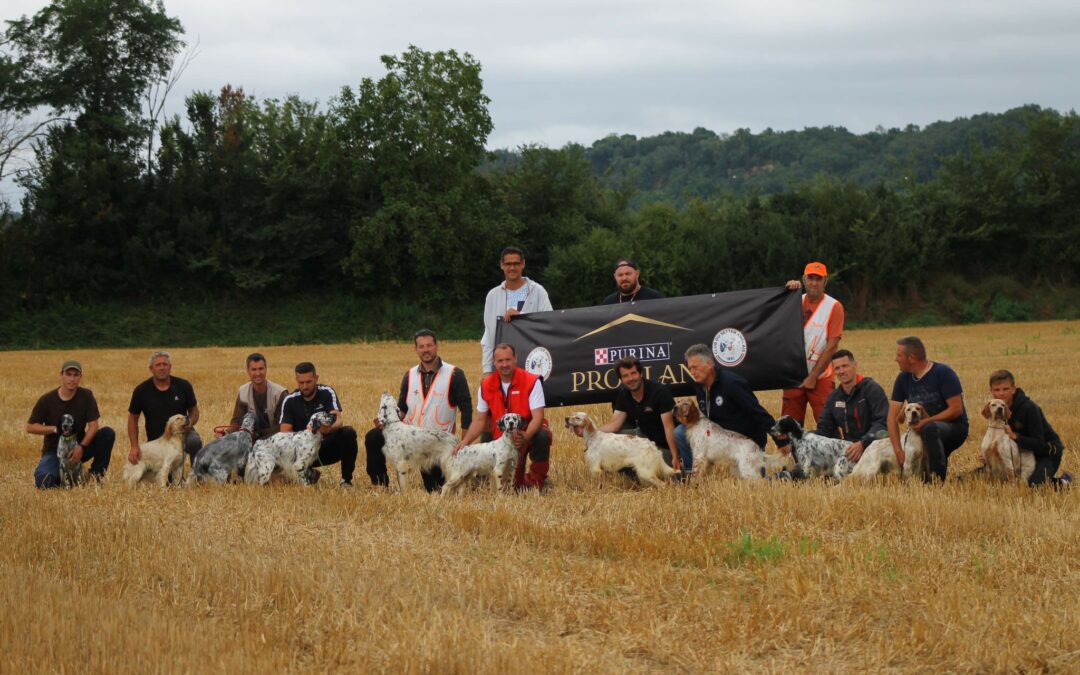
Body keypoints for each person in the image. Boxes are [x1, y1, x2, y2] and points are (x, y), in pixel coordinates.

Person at [365, 329, 473, 491]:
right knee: (373, 437)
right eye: (421, 346)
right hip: (411, 442)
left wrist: (464, 445)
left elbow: (467, 410)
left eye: (429, 345)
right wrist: (385, 422)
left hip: (437, 445)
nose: (426, 350)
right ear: (416, 349)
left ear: (437, 347)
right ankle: (380, 485)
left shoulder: (455, 374)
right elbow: (402, 409)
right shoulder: (409, 375)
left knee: (436, 490)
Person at [454, 343, 551, 490]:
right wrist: (465, 441)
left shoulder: (531, 381)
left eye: (507, 360)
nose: (504, 364)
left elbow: (538, 417)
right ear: (494, 363)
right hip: (502, 439)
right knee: (511, 486)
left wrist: (525, 436)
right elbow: (480, 420)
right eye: (500, 361)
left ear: (515, 359)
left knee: (543, 435)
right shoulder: (486, 384)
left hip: (527, 434)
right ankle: (487, 479)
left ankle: (537, 482)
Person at [675, 344, 776, 472]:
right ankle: (692, 473)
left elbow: (757, 412)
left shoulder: (732, 383)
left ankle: (784, 476)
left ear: (710, 364)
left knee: (752, 484)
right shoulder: (700, 386)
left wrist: (780, 439)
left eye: (695, 367)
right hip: (724, 441)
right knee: (679, 432)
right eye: (690, 368)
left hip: (747, 442)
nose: (692, 372)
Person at [887, 336, 969, 482]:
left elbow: (956, 410)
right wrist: (899, 451)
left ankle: (936, 481)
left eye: (899, 355)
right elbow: (891, 418)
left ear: (911, 357)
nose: (896, 359)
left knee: (929, 428)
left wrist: (926, 421)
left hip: (954, 428)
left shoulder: (943, 373)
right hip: (923, 429)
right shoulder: (903, 379)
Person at [27, 359, 116, 488]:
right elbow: (30, 427)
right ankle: (64, 478)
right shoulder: (47, 400)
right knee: (44, 482)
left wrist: (82, 447)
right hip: (54, 451)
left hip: (78, 448)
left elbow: (94, 425)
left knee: (107, 433)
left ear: (80, 377)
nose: (72, 379)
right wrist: (55, 429)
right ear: (61, 375)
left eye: (76, 375)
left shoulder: (86, 396)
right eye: (68, 374)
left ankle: (94, 475)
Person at [979, 369, 1070, 488]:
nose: (1001, 393)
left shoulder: (1029, 408)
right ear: (991, 392)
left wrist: (1016, 436)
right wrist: (988, 454)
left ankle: (1065, 481)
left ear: (1013, 389)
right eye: (997, 390)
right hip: (1018, 455)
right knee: (977, 477)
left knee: (1034, 485)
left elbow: (1038, 443)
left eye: (1005, 389)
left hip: (1045, 453)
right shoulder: (996, 409)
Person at [594, 357, 682, 479]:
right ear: (621, 380)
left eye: (633, 373)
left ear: (641, 373)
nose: (630, 379)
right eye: (625, 376)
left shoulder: (660, 392)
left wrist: (675, 456)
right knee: (615, 438)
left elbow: (669, 427)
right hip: (645, 443)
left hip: (664, 446)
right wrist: (590, 432)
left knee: (671, 478)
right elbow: (614, 425)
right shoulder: (624, 394)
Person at [783, 261, 845, 425]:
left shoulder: (834, 307)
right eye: (810, 278)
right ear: (804, 279)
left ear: (825, 281)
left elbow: (832, 346)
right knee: (789, 430)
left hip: (821, 377)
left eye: (818, 279)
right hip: (793, 375)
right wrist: (787, 291)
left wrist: (813, 377)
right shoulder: (793, 301)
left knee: (828, 427)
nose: (814, 283)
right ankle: (790, 452)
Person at [279, 362, 358, 486]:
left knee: (348, 433)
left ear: (316, 378)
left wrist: (328, 429)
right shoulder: (289, 400)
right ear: (296, 380)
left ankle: (346, 481)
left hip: (325, 447)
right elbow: (284, 435)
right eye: (301, 383)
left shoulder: (327, 392)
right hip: (302, 451)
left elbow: (338, 419)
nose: (305, 386)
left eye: (309, 382)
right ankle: (303, 472)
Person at [480, 246, 552, 375]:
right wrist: (487, 371)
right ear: (501, 265)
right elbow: (489, 336)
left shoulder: (538, 292)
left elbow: (549, 324)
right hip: (503, 368)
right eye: (508, 264)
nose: (512, 268)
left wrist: (522, 318)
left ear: (523, 264)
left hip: (532, 365)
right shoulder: (492, 296)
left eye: (516, 264)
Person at [127, 351, 201, 471]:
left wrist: (190, 423)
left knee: (194, 441)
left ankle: (196, 475)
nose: (162, 368)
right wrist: (134, 446)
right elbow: (132, 419)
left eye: (165, 364)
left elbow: (194, 411)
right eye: (158, 365)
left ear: (170, 367)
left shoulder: (184, 385)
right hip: (157, 439)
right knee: (168, 480)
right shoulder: (141, 390)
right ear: (151, 368)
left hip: (182, 433)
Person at [814, 350, 890, 463]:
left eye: (845, 366)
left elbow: (883, 423)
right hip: (850, 449)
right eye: (837, 368)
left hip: (875, 447)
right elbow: (824, 428)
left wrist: (863, 443)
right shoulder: (833, 397)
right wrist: (804, 438)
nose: (841, 371)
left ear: (855, 366)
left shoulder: (872, 390)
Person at [221, 353, 288, 441]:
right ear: (248, 371)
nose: (258, 373)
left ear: (266, 369)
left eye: (261, 369)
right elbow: (236, 423)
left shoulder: (280, 393)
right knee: (251, 417)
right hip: (250, 438)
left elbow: (282, 426)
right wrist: (225, 434)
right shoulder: (243, 392)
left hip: (275, 440)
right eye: (254, 369)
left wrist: (257, 434)